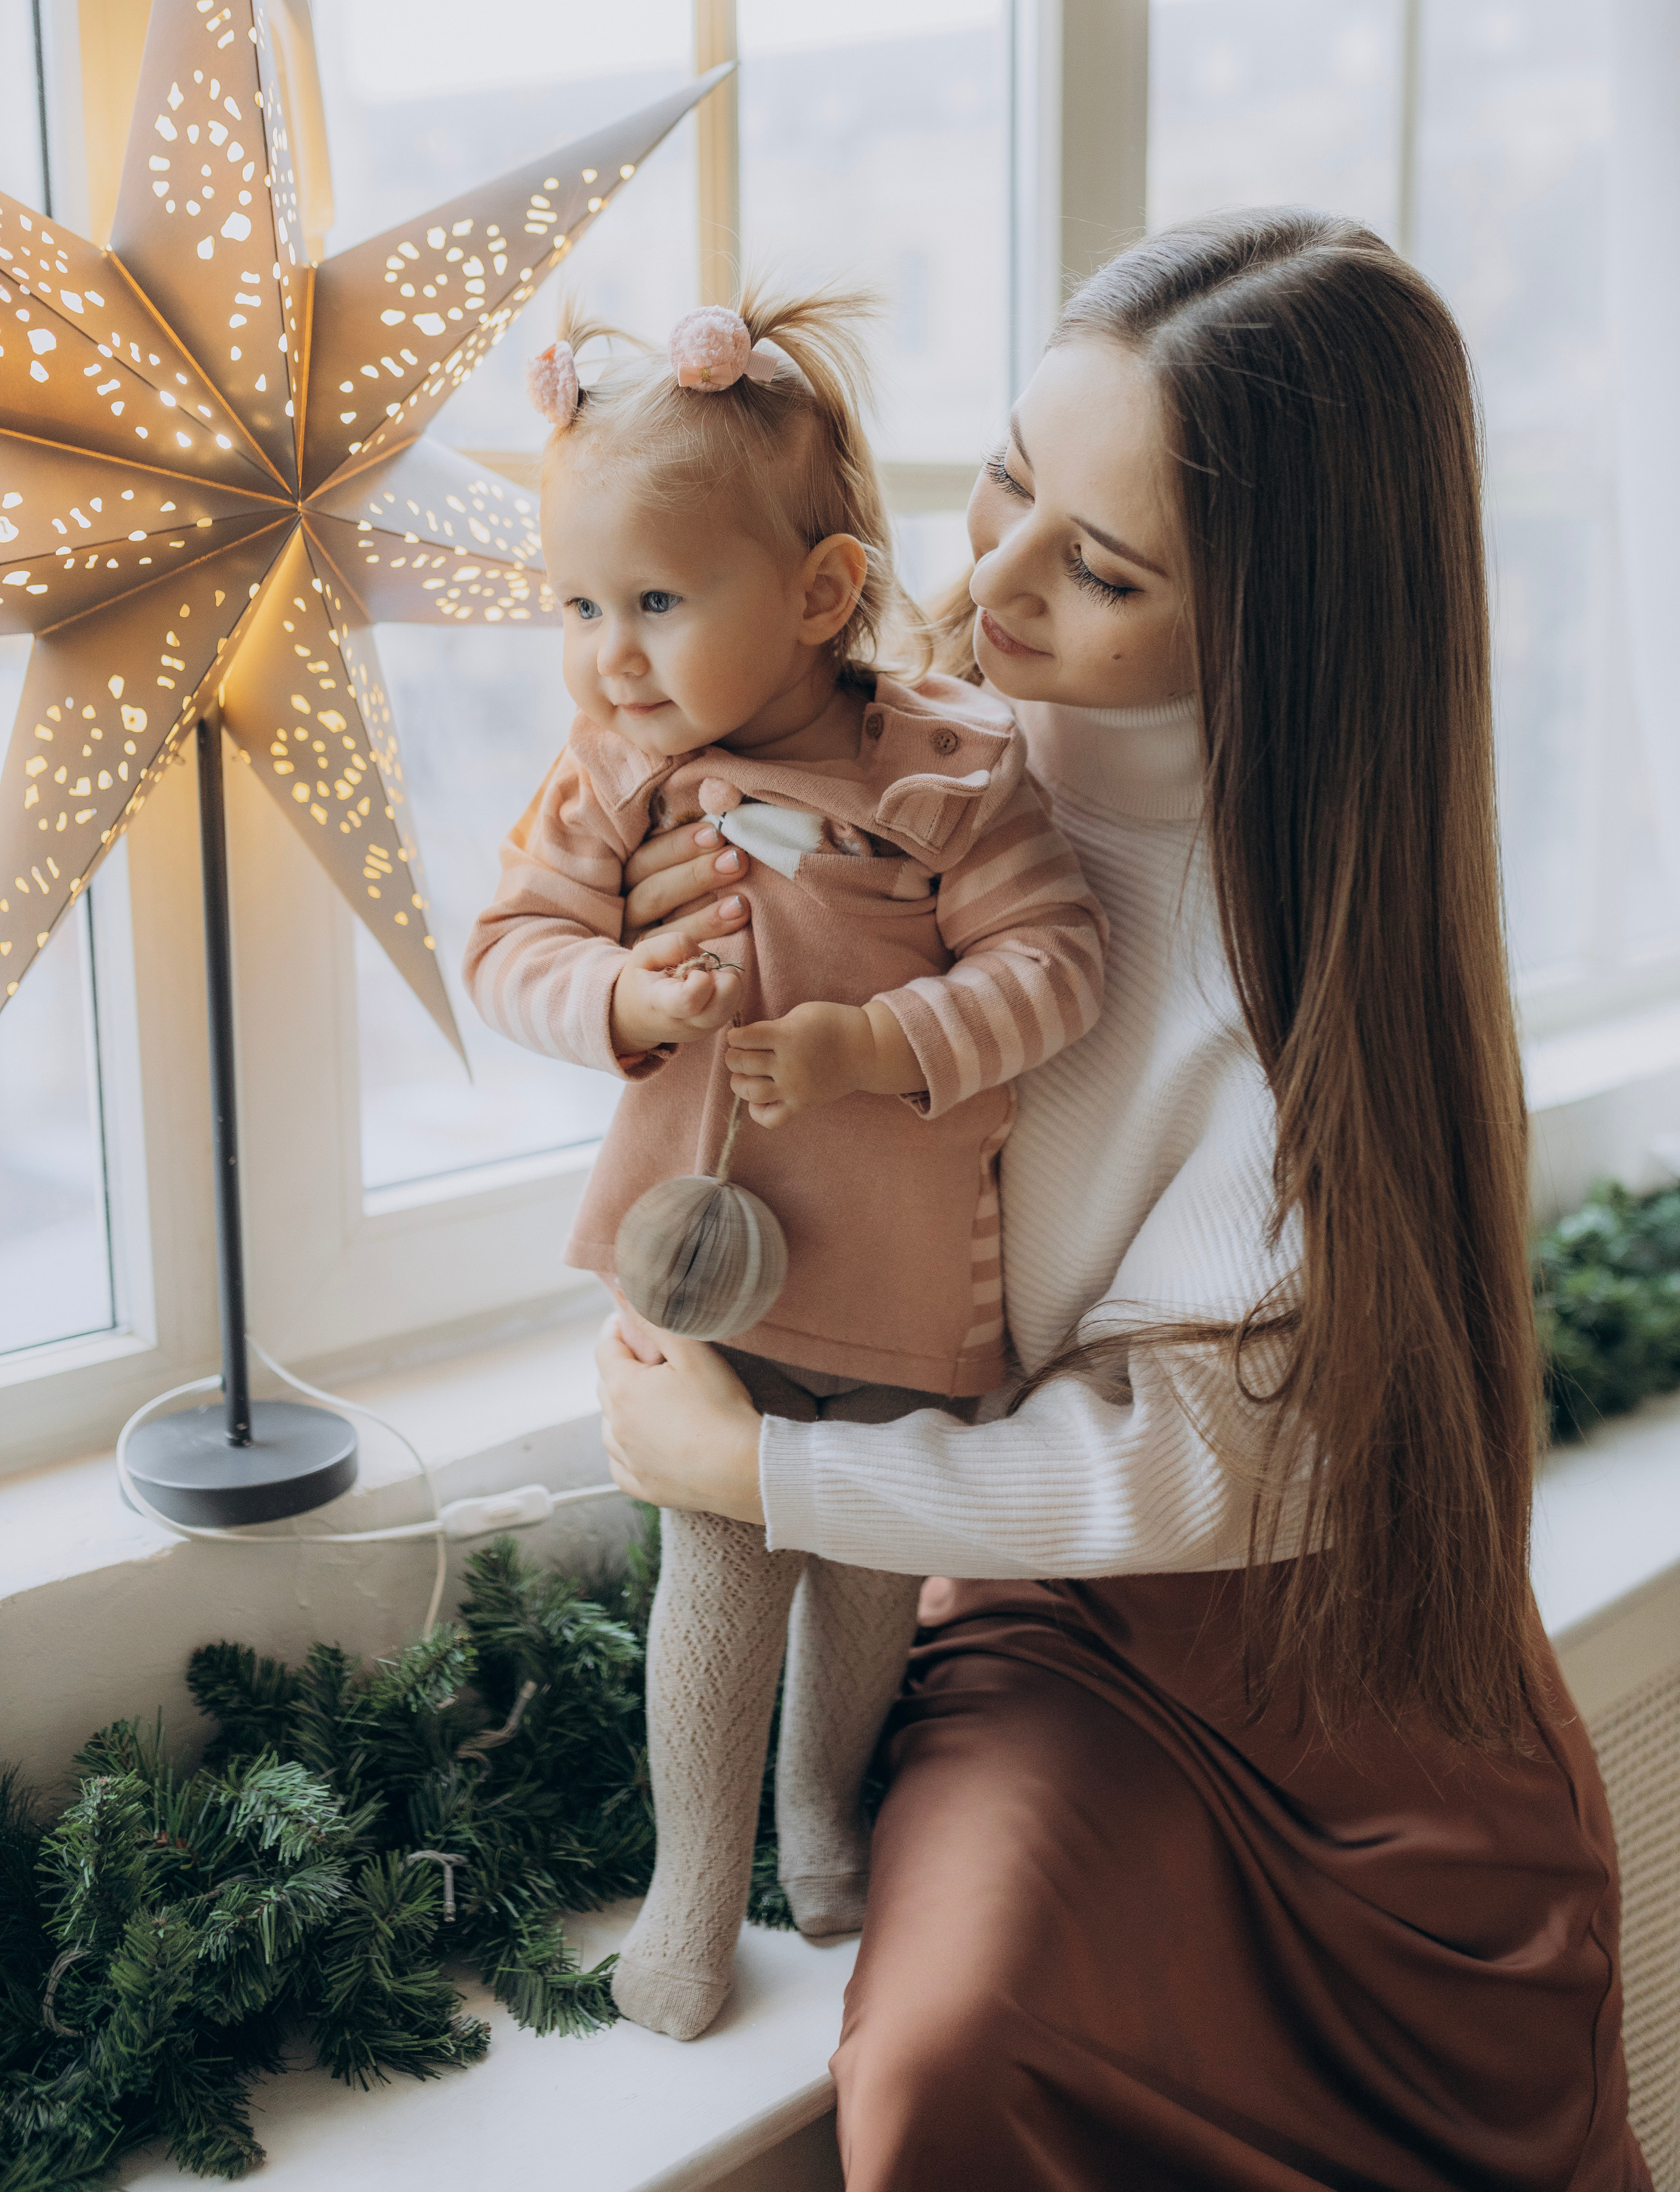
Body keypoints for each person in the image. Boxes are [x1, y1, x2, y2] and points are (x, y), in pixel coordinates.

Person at [593, 216, 1650, 2189]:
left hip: (1316, 1667)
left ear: (1281, 620)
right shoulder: (886, 740)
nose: (991, 580)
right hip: (1034, 1616)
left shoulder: (1303, 975)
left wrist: (759, 1473)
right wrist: (651, 961)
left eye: (1102, 570)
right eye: (1006, 477)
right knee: (956, 2059)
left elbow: (1183, 1470)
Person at [463, 290, 1105, 2042]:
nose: (609, 657)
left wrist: (876, 1043)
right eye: (578, 607)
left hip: (900, 1273)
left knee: (872, 1578)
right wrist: (619, 995)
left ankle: (823, 1813)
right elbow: (506, 947)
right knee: (721, 1579)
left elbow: (1059, 965)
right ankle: (692, 1888)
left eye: (657, 605)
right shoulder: (618, 774)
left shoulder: (949, 769)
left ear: (822, 595)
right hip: (709, 1285)